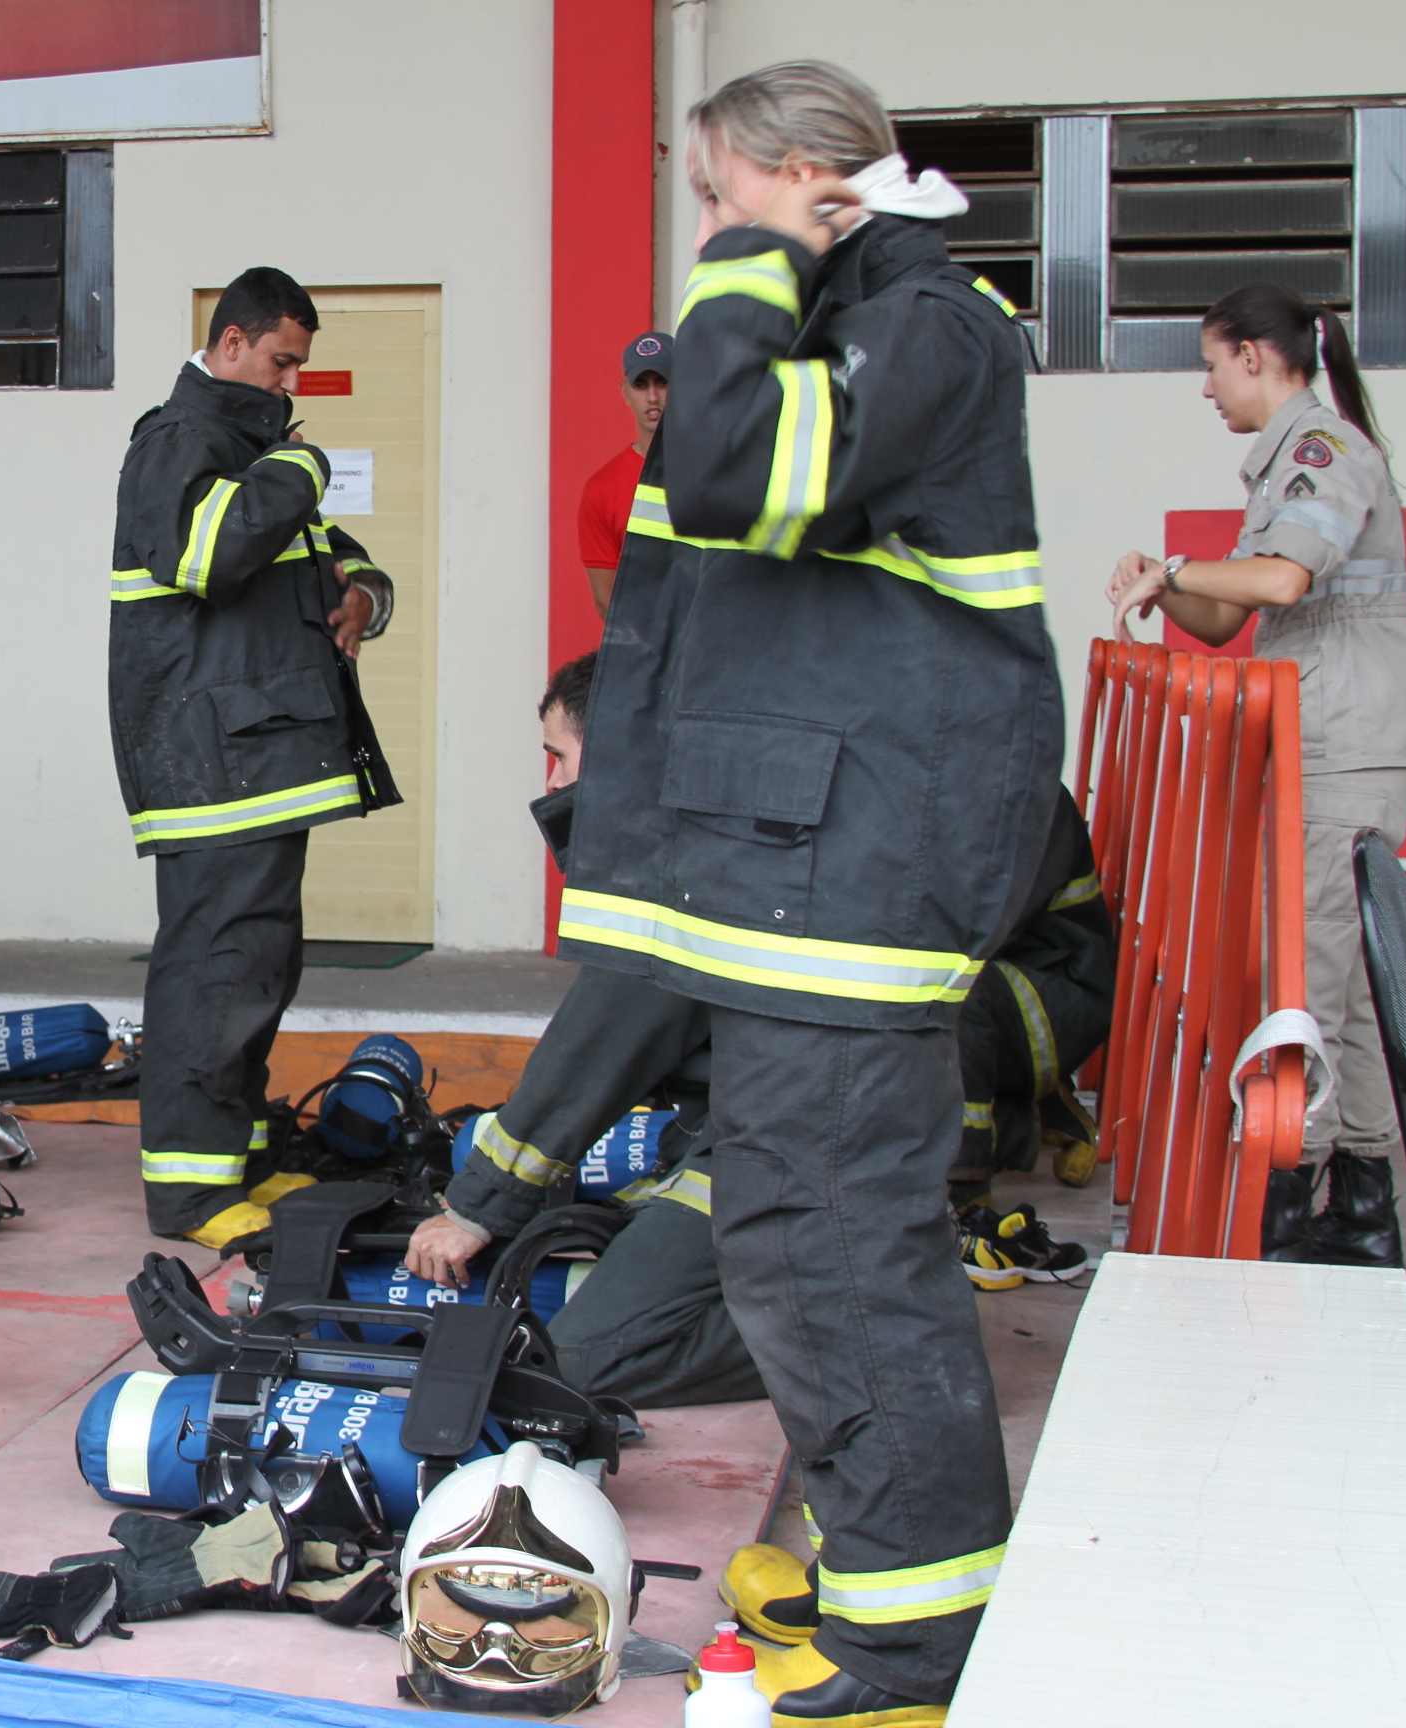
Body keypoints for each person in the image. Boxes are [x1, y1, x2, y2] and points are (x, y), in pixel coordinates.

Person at [558, 63, 1064, 1722]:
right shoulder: (858, 316)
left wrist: (741, 261)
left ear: (791, 176)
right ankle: (881, 1569)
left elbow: (735, 475)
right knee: (790, 1247)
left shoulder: (926, 321)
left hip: (855, 874)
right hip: (792, 871)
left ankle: (913, 1642)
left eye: (713, 195)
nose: (700, 233)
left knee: (842, 1253)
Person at [401, 654, 1104, 1403]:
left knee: (588, 1356)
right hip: (788, 1119)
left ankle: (885, 1323)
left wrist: (479, 1207)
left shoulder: (703, 859)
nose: (550, 783)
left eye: (560, 756)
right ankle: (878, 1285)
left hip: (801, 1134)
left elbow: (602, 1040)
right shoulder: (738, 810)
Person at [1109, 283, 1406, 1267]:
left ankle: (1291, 1197)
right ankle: (1363, 1204)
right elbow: (1228, 618)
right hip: (1332, 738)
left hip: (1343, 745)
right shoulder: (1286, 465)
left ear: (1255, 356)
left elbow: (1280, 581)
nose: (1204, 388)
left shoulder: (1324, 451)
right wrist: (1168, 585)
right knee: (1352, 985)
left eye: (1209, 363)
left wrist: (1181, 570)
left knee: (1313, 978)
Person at [109, 265, 402, 1249]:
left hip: (257, 768)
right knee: (214, 977)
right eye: (283, 361)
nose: (292, 383)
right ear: (229, 342)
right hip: (213, 772)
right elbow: (204, 556)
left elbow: (317, 552)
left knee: (255, 971)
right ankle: (188, 1195)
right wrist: (304, 469)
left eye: (300, 366)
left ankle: (228, 1159)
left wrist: (362, 589)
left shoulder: (246, 445)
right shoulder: (179, 441)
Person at [577, 332, 672, 618]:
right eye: (641, 385)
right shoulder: (602, 489)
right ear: (625, 392)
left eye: (663, 382)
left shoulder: (716, 470)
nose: (652, 397)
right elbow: (607, 600)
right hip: (651, 656)